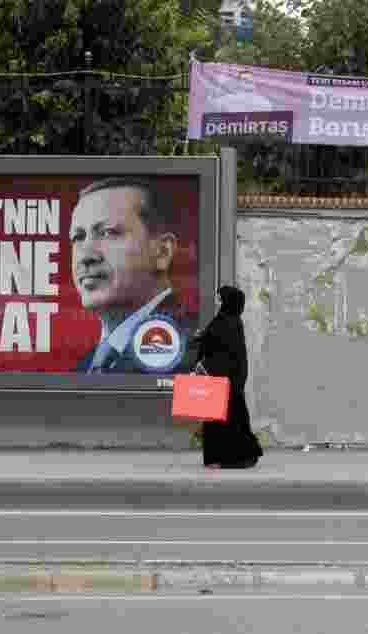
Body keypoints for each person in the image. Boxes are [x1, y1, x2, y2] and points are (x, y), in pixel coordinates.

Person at [70, 177, 198, 374]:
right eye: (78, 237)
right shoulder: (86, 366)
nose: (85, 256)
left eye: (107, 232)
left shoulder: (192, 350)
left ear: (162, 252)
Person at [194, 285, 263, 469]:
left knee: (224, 418)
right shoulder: (227, 320)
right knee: (227, 416)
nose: (217, 302)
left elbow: (224, 351)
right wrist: (203, 338)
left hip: (225, 378)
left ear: (228, 301)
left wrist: (204, 344)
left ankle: (227, 458)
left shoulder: (228, 322)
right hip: (226, 377)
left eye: (220, 299)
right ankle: (226, 457)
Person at [205, 68, 275, 113]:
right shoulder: (266, 103)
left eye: (249, 80)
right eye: (245, 80)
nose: (248, 81)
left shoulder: (265, 103)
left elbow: (212, 103)